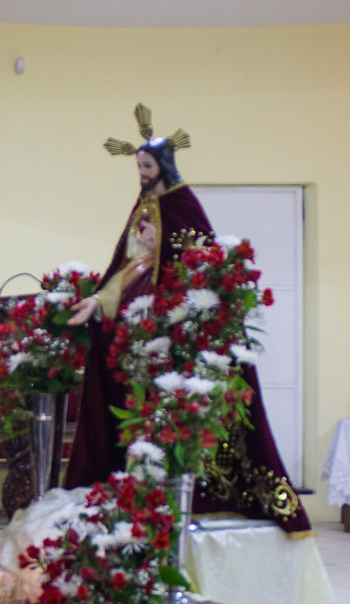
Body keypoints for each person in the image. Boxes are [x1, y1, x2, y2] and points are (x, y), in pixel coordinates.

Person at [64, 104, 310, 533]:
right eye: (138, 167)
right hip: (140, 338)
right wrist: (97, 303)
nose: (142, 174)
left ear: (163, 165)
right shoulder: (142, 206)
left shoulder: (182, 206)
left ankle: (190, 496)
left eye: (147, 166)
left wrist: (160, 245)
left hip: (178, 340)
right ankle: (135, 492)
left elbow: (195, 268)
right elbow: (126, 268)